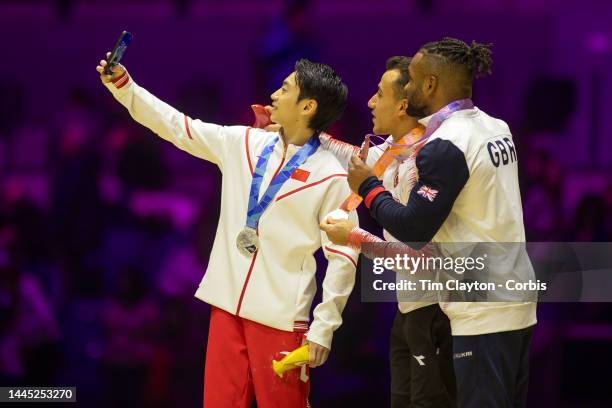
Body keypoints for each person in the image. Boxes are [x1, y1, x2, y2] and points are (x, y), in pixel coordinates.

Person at [96, 55, 359, 408]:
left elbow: (343, 256)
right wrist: (125, 88)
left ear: (308, 106)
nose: (273, 95)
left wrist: (324, 327)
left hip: (282, 320)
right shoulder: (243, 144)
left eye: (284, 89)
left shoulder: (332, 176)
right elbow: (176, 125)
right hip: (225, 309)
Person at [323, 38, 537, 408]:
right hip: (515, 296)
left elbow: (414, 229)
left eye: (412, 81)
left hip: (479, 306)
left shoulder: (447, 144)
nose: (405, 90)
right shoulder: (495, 127)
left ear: (430, 85)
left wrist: (369, 190)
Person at [319, 56, 456, 407]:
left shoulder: (423, 162)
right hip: (408, 313)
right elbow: (348, 155)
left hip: (437, 314)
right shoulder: (392, 153)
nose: (370, 101)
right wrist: (296, 131)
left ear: (403, 105)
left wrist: (354, 238)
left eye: (379, 93)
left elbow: (421, 260)